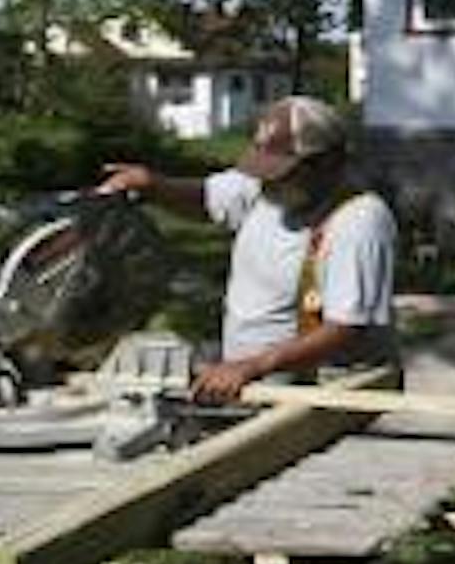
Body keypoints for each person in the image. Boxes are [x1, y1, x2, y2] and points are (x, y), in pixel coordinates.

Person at [99, 95, 398, 401]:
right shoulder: (265, 189)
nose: (266, 182)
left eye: (280, 172)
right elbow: (208, 198)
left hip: (323, 394)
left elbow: (345, 328)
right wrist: (153, 185)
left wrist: (252, 366)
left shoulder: (359, 219)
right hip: (253, 381)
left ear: (326, 163)